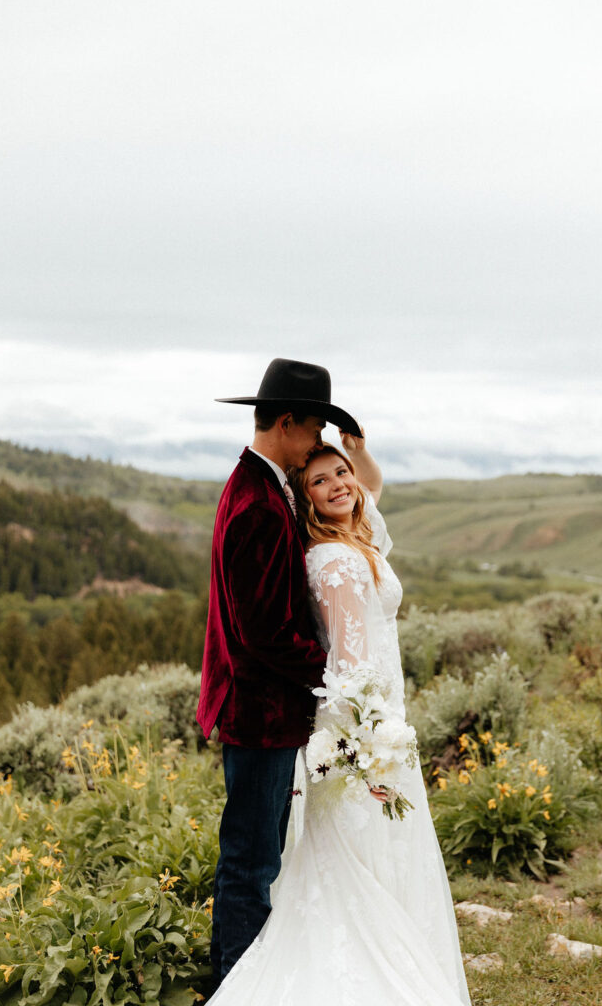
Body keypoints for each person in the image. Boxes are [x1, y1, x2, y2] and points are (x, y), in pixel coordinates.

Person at [206, 430, 472, 1006]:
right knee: (361, 839)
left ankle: (395, 940)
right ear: (304, 497)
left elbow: (368, 488)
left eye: (340, 474)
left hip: (378, 717)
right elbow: (348, 668)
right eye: (319, 480)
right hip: (364, 726)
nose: (338, 486)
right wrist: (366, 746)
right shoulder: (334, 561)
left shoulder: (357, 535)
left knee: (374, 842)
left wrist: (358, 452)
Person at [197, 357, 363, 993]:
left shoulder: (259, 484)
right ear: (288, 422)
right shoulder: (260, 503)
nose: (318, 442)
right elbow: (263, 631)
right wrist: (337, 674)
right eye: (315, 427)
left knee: (255, 852)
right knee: (251, 861)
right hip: (261, 712)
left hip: (260, 708)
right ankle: (236, 987)